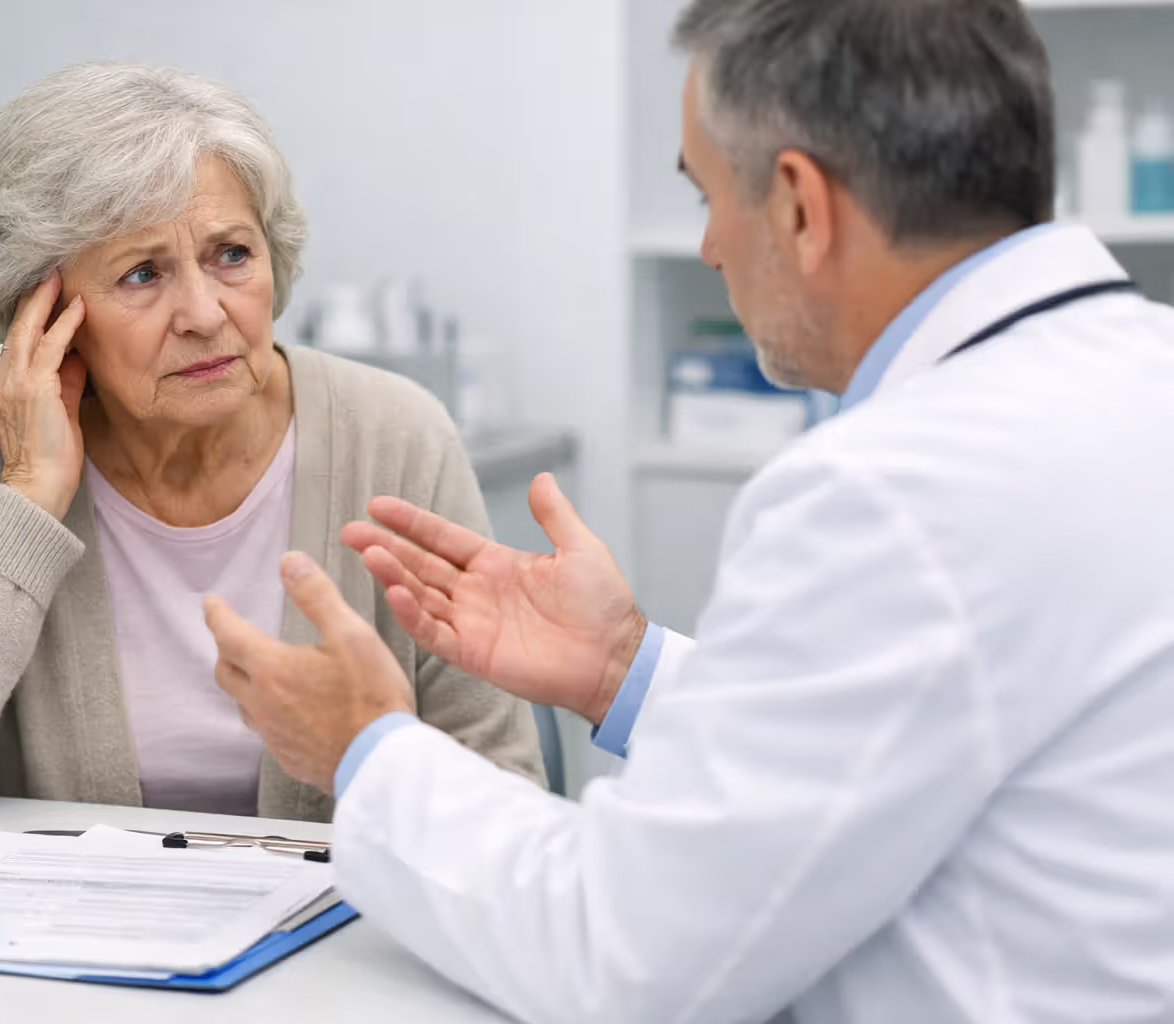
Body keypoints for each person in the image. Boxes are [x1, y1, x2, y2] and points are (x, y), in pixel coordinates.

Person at [202, 2, 1174, 1021]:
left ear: (800, 203)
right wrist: (627, 667)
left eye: (709, 193)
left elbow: (626, 958)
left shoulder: (893, 492)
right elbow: (921, 726)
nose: (710, 244)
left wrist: (368, 747)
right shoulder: (1135, 374)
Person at [0, 63, 543, 826]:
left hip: (341, 933)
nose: (205, 313)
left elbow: (502, 791)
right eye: (143, 274)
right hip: (55, 932)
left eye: (232, 255)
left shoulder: (395, 433)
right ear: (38, 316)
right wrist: (26, 498)